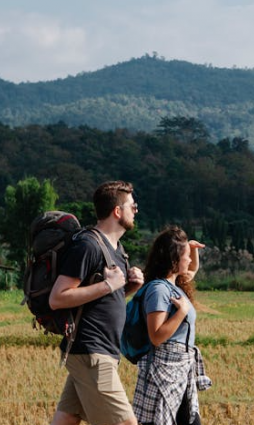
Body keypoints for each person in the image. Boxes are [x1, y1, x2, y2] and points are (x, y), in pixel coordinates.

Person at [48, 180, 145, 425]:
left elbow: (99, 300)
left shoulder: (117, 250)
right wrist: (107, 285)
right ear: (117, 211)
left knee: (67, 419)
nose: (136, 210)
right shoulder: (88, 246)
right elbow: (57, 298)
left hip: (102, 351)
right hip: (92, 352)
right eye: (132, 206)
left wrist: (128, 288)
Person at [132, 226, 209, 425]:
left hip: (180, 370)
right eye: (186, 256)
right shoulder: (159, 290)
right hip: (165, 372)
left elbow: (192, 270)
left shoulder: (174, 285)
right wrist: (182, 312)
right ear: (174, 260)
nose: (190, 260)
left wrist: (191, 248)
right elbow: (156, 335)